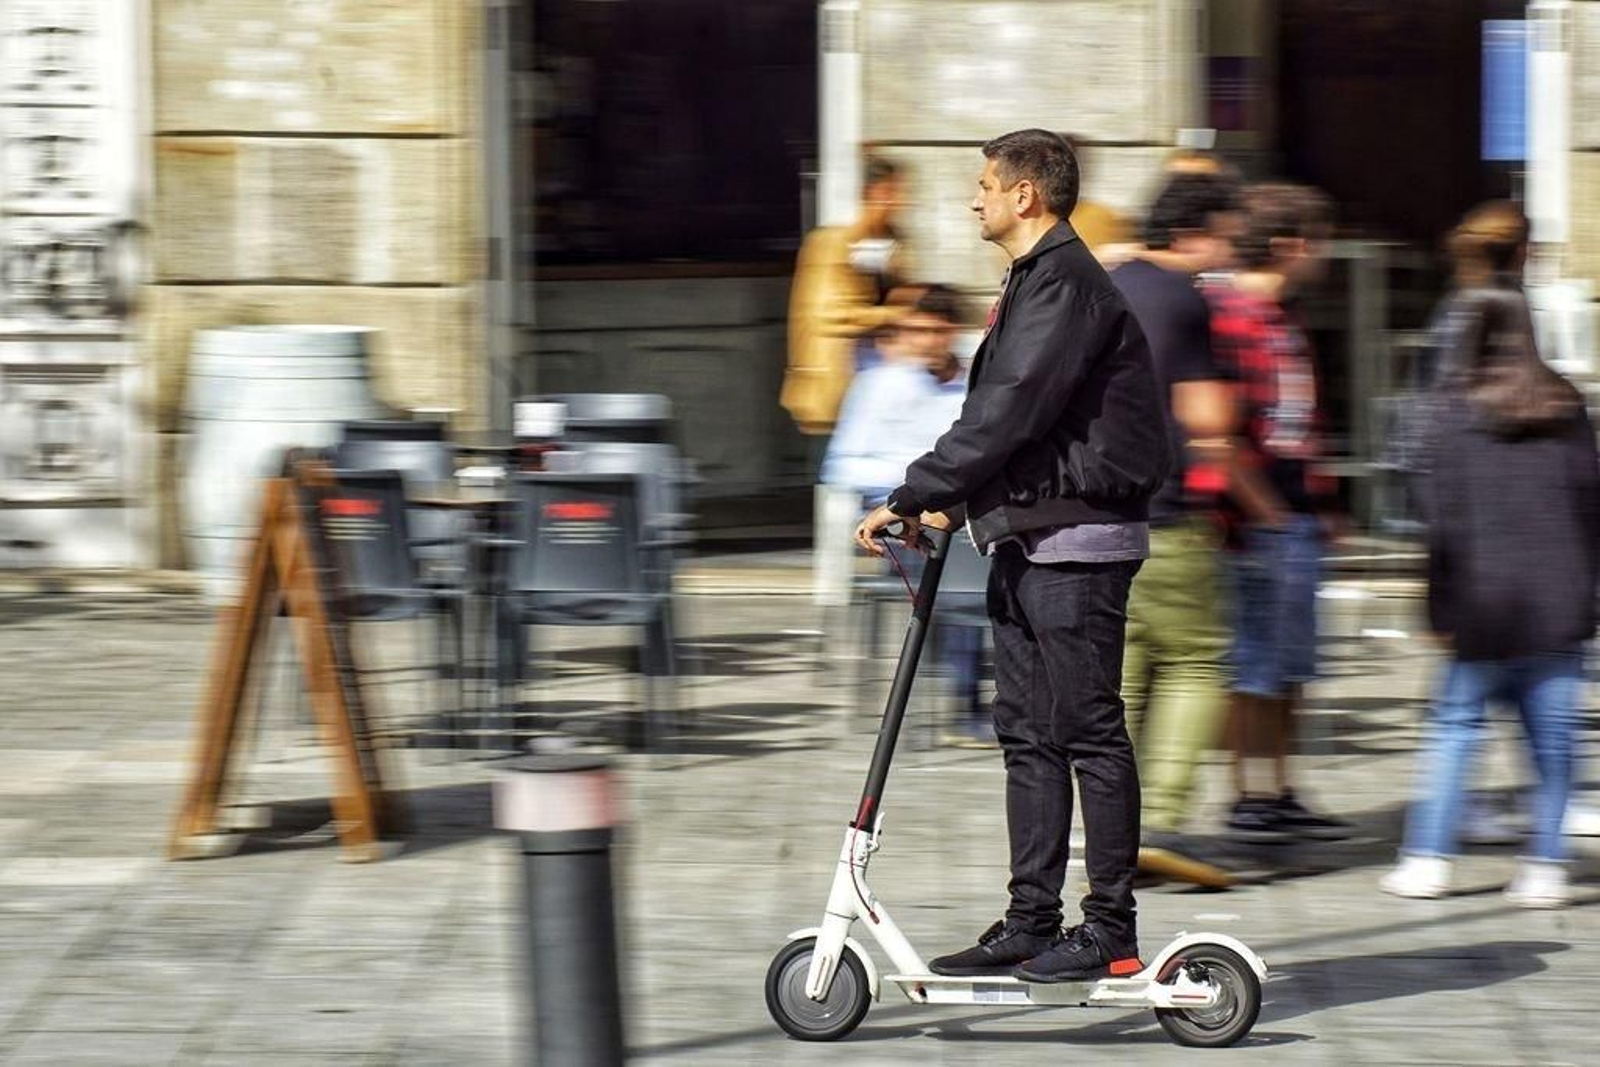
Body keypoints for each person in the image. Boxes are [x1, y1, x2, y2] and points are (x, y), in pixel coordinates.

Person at [854, 129, 1170, 981]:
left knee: (1088, 729)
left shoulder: (1064, 283)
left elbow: (1011, 412)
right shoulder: (1036, 281)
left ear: (1026, 194)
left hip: (1078, 541)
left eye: (986, 185)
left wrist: (912, 491)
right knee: (1027, 731)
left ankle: (1110, 928)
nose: (974, 198)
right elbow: (1021, 424)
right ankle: (1033, 917)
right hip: (1028, 532)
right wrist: (954, 502)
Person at [1382, 203, 1599, 908]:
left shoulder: (1453, 414)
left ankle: (1430, 857)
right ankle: (1543, 866)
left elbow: (1443, 523)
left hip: (1483, 595)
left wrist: (1436, 602)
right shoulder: (1565, 407)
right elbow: (1589, 506)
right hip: (1558, 595)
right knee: (1553, 740)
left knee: (1454, 729)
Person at [1108, 173, 1248, 887]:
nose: (1229, 250)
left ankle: (1113, 831)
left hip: (1097, 518)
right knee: (1197, 661)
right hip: (1168, 515)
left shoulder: (1108, 283)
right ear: (1197, 232)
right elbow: (1205, 416)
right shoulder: (1186, 300)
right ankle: (1159, 820)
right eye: (1226, 234)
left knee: (1127, 676)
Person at [1204, 182, 1353, 843]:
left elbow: (1301, 425)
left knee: (1292, 663)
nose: (1325, 256)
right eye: (1318, 242)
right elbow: (1220, 429)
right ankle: (1247, 791)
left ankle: (1282, 786)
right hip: (1252, 524)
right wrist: (1263, 511)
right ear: (1293, 245)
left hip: (1295, 517)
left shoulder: (1282, 319)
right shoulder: (1229, 314)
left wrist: (1322, 507)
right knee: (1253, 664)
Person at [824, 285, 988, 743]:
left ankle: (978, 686)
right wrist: (914, 481)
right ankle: (963, 694)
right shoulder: (878, 386)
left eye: (934, 331)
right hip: (896, 514)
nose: (923, 341)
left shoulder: (976, 386)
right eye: (914, 330)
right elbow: (842, 465)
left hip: (962, 511)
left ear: (952, 332)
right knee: (947, 565)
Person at [782, 156, 913, 439]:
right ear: (875, 192)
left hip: (874, 392)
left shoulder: (890, 242)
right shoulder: (831, 243)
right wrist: (897, 313)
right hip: (832, 391)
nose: (902, 203)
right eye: (896, 192)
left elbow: (899, 295)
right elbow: (832, 315)